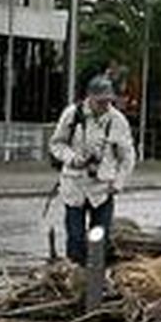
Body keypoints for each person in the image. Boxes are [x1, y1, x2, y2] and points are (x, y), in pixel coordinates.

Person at [49, 75, 136, 264]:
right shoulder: (72, 114)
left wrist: (118, 183)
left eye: (108, 101)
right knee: (75, 238)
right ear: (89, 97)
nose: (105, 105)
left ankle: (97, 281)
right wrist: (72, 159)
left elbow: (127, 156)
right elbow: (56, 144)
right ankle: (75, 276)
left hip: (103, 189)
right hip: (75, 185)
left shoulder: (117, 120)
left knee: (100, 239)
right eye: (100, 101)